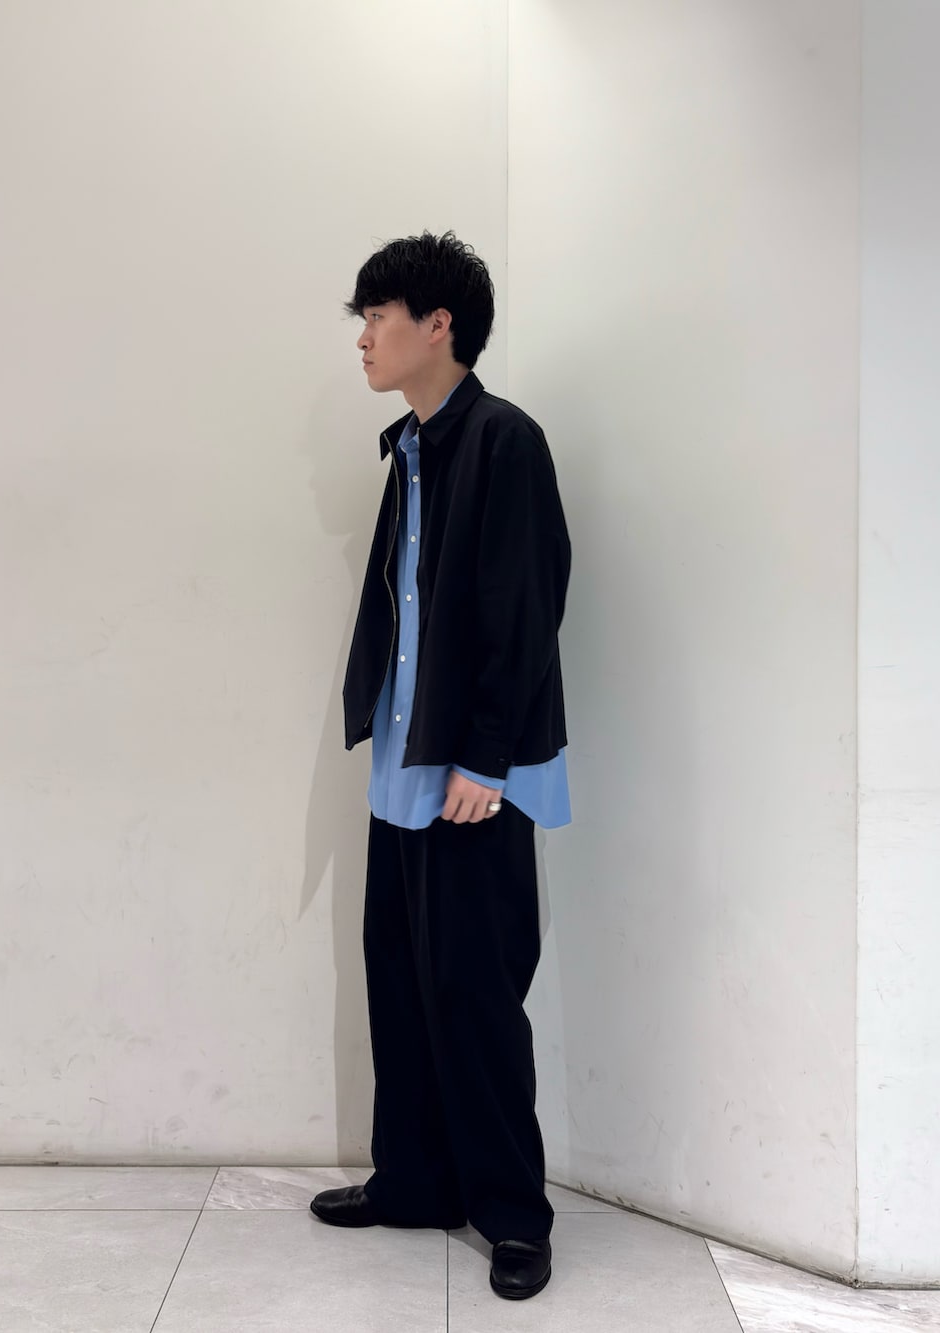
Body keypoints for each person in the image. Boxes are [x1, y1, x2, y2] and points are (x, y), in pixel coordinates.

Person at [310, 230, 571, 1301]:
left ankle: (513, 1216)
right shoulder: (411, 449)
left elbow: (525, 607)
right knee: (403, 983)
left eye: (378, 316)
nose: (364, 337)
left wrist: (486, 757)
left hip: (472, 774)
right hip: (406, 768)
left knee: (475, 995)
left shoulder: (505, 441)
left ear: (438, 324)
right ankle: (415, 1181)